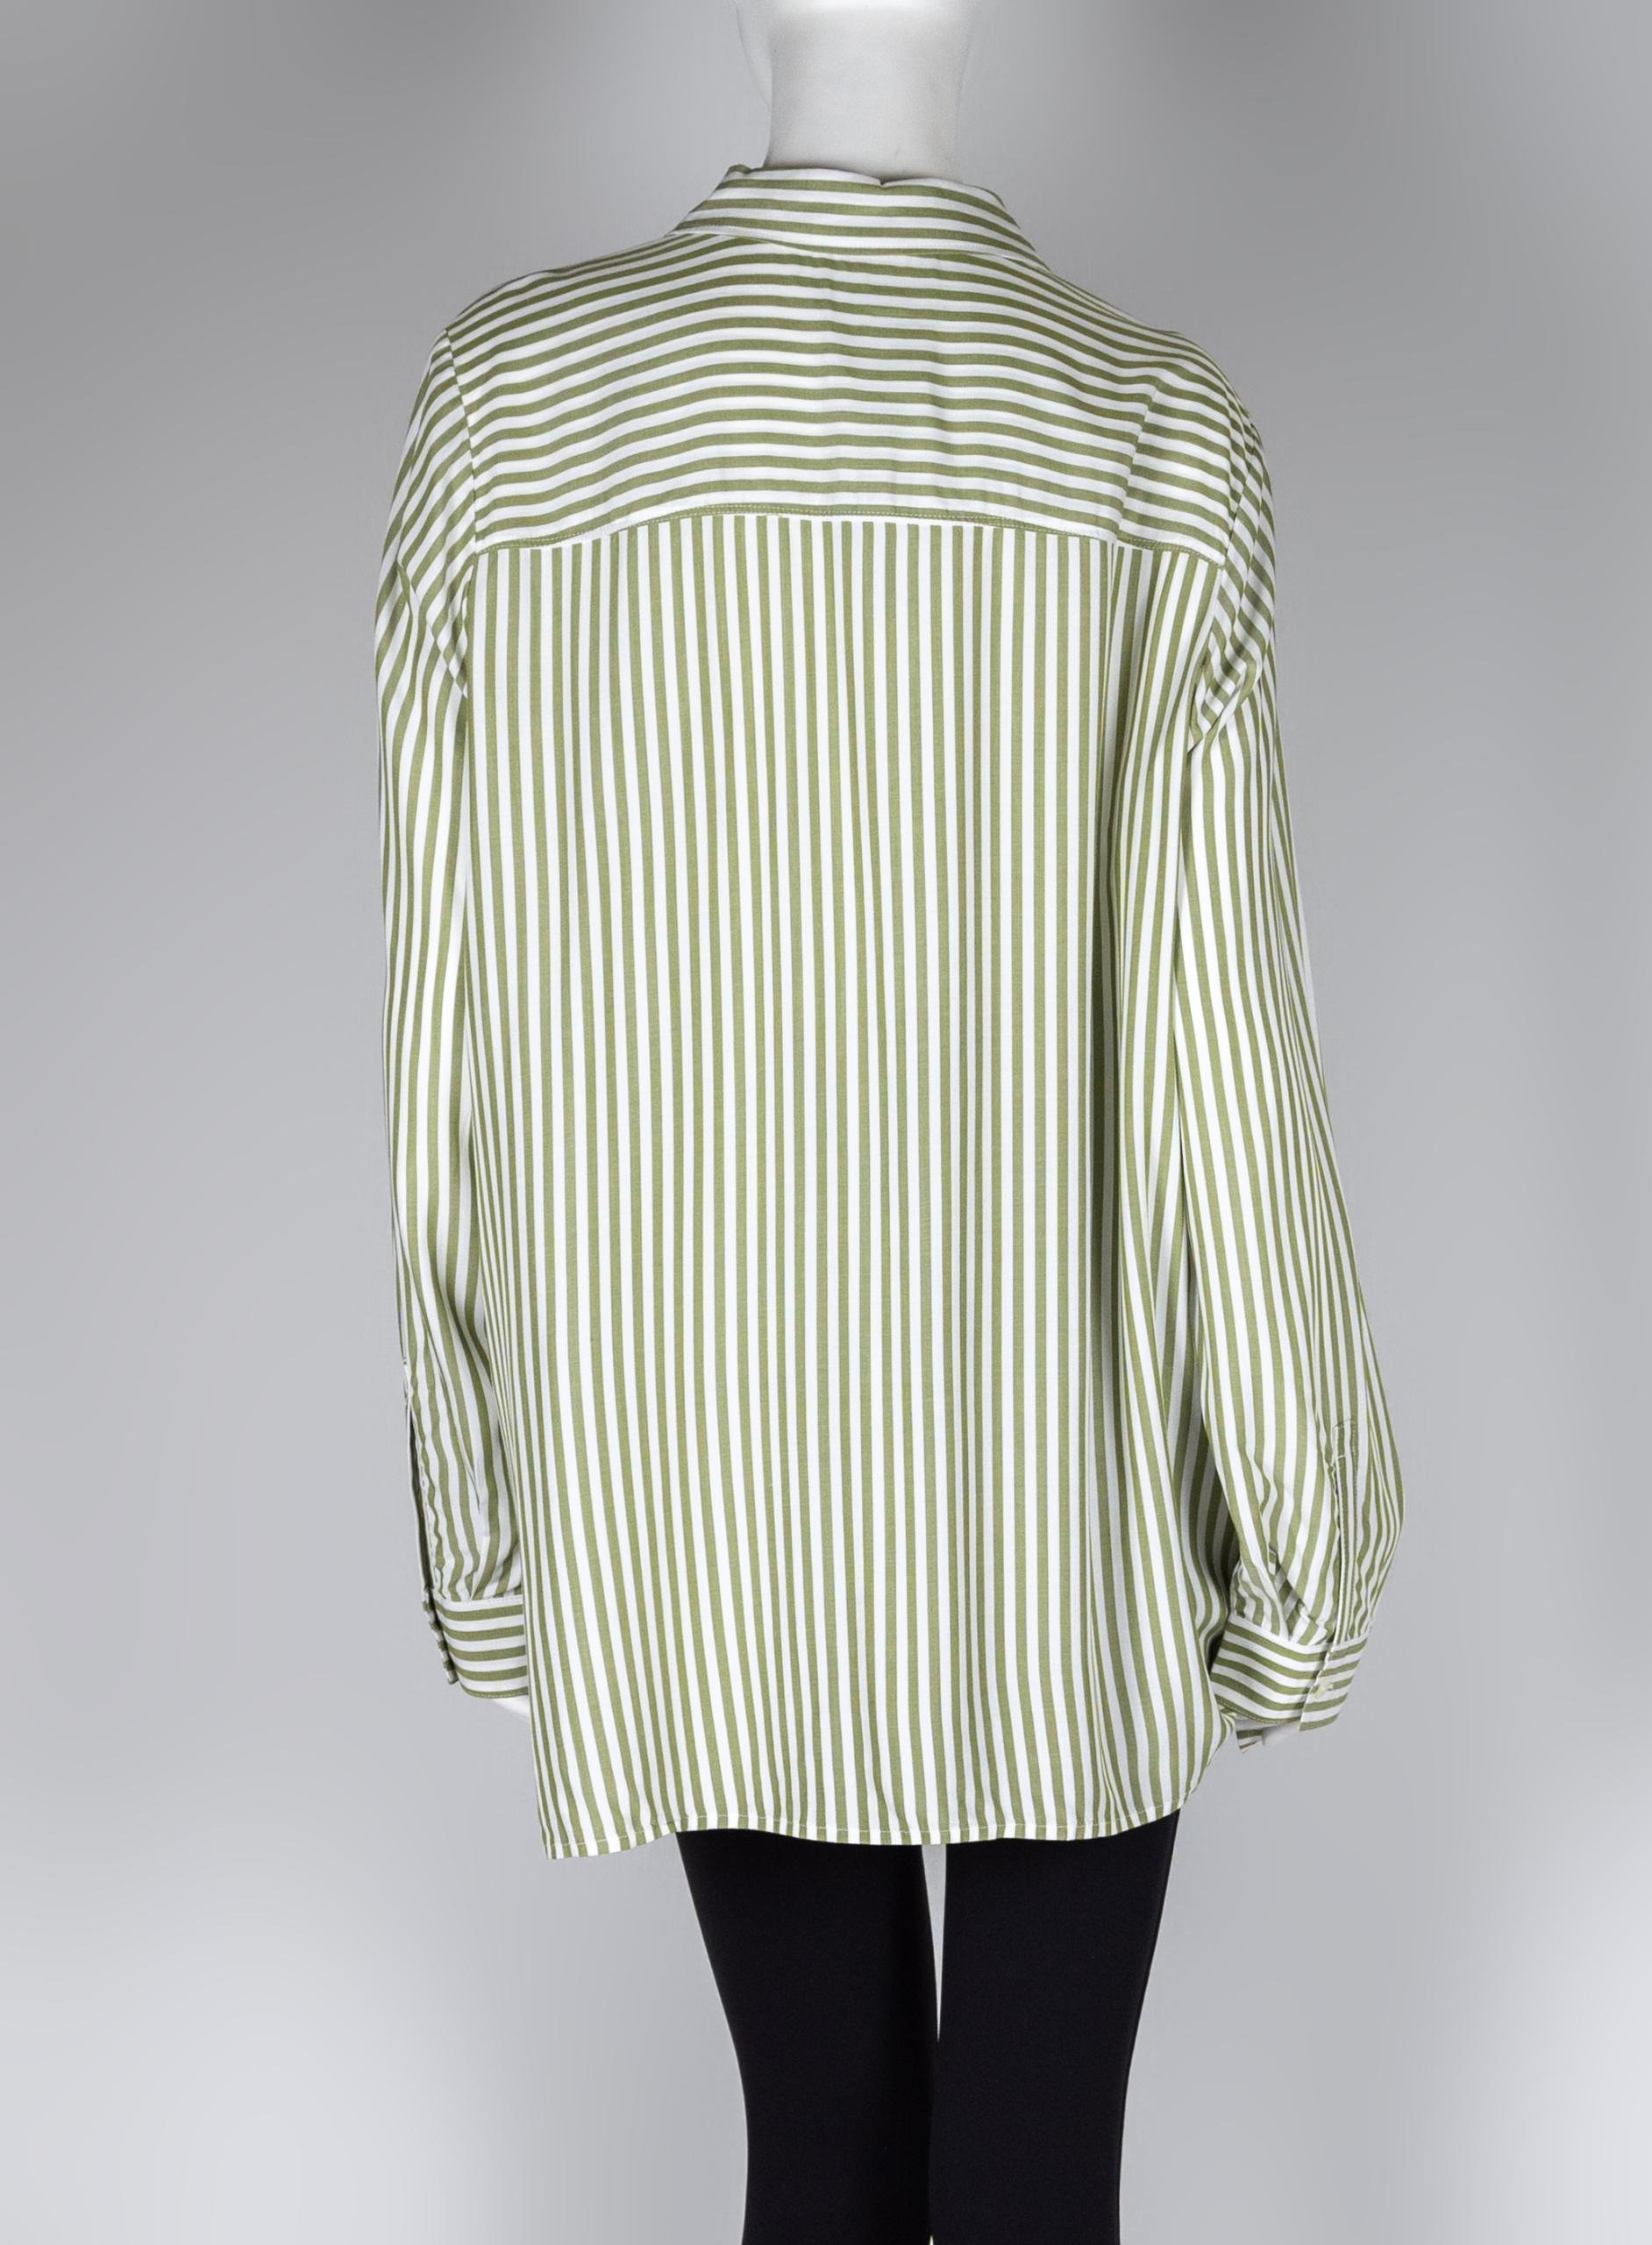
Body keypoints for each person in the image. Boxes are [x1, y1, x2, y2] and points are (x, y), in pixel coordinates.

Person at [376, 0, 1405, 2235]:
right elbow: (1230, 1048)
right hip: (1068, 1492)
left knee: (818, 2146)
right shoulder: (1154, 436)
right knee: (1038, 2177)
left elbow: (447, 1030)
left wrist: (489, 1525)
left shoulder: (511, 410)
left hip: (700, 1486)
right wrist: (1306, 1524)